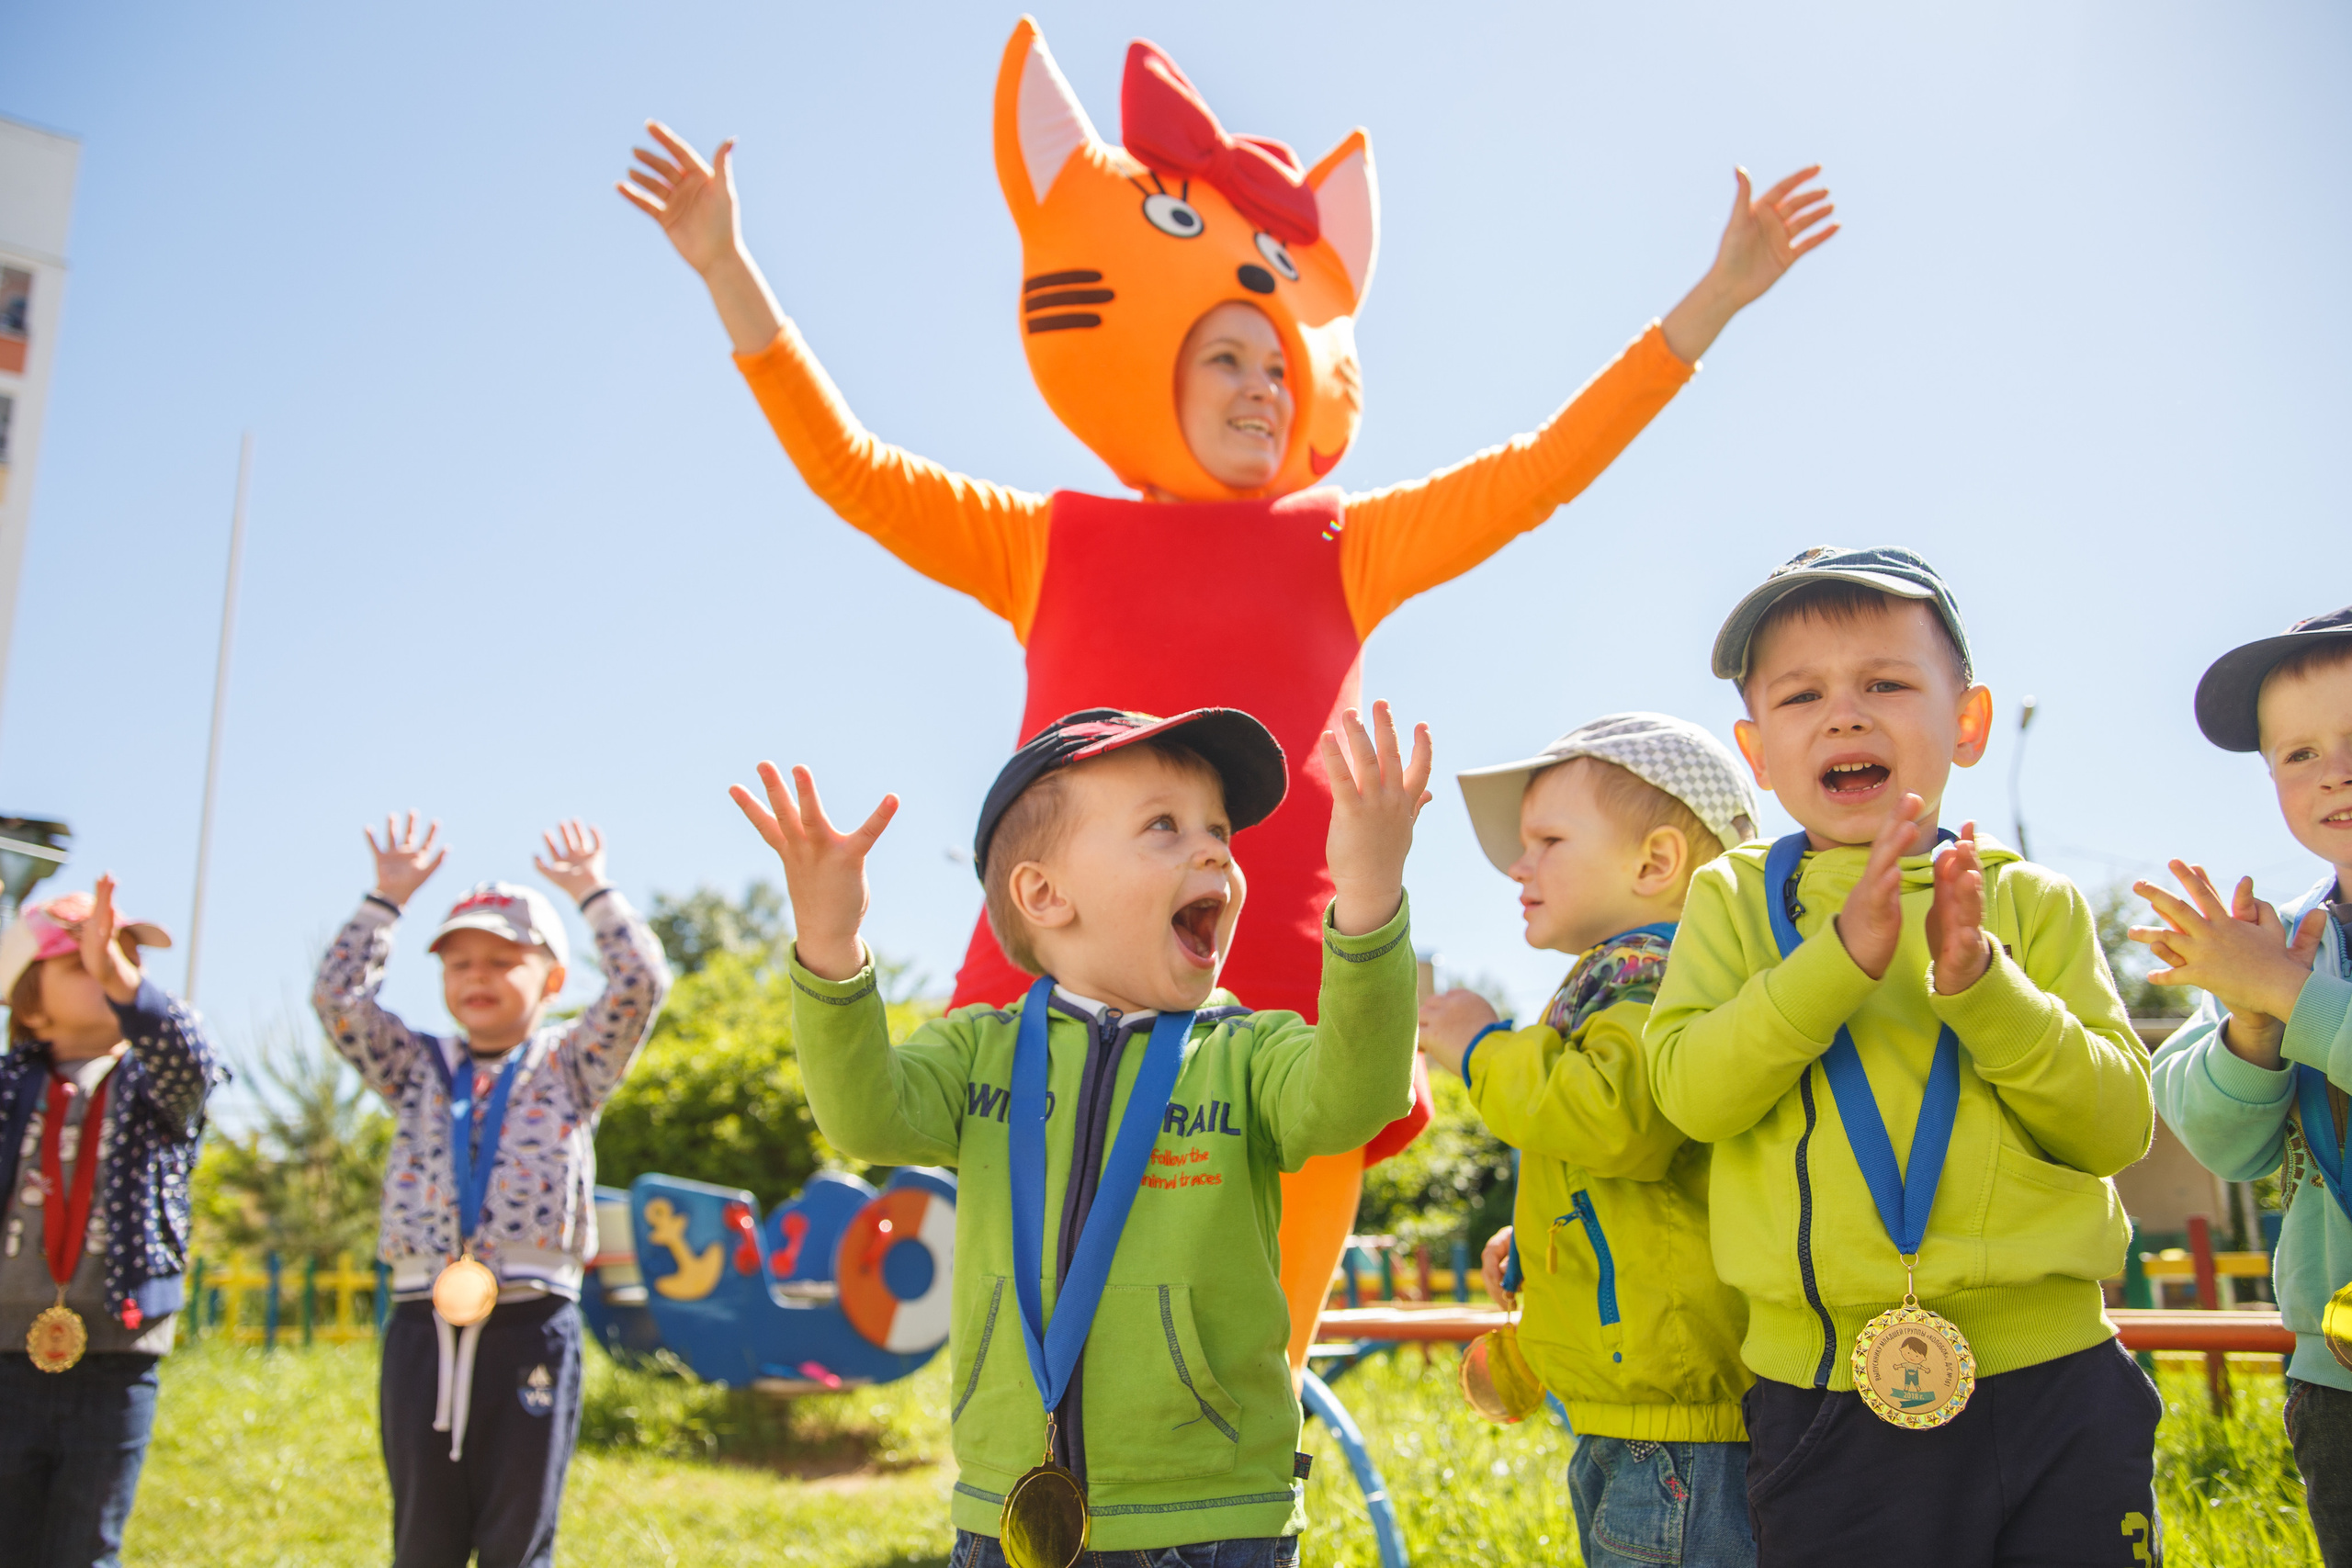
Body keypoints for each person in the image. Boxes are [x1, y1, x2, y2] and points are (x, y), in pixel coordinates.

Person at [621, 16, 1836, 1372]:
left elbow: (1540, 468)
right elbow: (851, 469)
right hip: (1071, 975)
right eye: (1225, 358)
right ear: (1158, 363)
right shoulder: (1049, 540)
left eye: (1279, 362)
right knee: (1052, 1354)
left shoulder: (1348, 541)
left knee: (1262, 1367)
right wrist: (730, 269)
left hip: (1295, 994)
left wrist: (1709, 304)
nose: (1263, 386)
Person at [730, 702, 1428, 1562]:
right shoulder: (980, 1049)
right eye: (1163, 826)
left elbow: (1359, 1095)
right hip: (1007, 1513)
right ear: (1044, 894)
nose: (1214, 850)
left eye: (1219, 830)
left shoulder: (1246, 1050)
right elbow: (864, 1115)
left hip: (1210, 1518)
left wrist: (1368, 896)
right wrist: (830, 944)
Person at [1643, 547, 2159, 1568]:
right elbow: (1692, 1096)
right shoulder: (1733, 904)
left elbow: (2114, 1126)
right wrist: (1833, 963)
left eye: (1885, 683)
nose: (1844, 715)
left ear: (1966, 723)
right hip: (1831, 1395)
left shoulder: (2030, 904)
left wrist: (1984, 987)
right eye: (1801, 695)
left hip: (2062, 1376)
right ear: (1755, 749)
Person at [1419, 713, 1760, 1568]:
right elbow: (1623, 1176)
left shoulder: (1659, 971)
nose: (1516, 865)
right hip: (1644, 1409)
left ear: (1655, 863)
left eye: (1547, 839)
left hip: (1678, 1425)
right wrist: (1539, 1235)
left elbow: (1619, 1123)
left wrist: (1481, 1045)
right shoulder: (1623, 974)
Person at [312, 817, 671, 1568]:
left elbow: (642, 984)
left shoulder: (571, 1062)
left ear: (552, 980)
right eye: (459, 961)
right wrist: (387, 898)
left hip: (531, 1321)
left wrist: (593, 892)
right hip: (421, 1321)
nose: (477, 976)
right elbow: (338, 996)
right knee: (423, 1538)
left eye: (504, 959)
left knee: (518, 1535)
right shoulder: (415, 1065)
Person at [2139, 604, 2352, 1565]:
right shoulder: (2284, 936)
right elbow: (2223, 1141)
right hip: (2337, 1375)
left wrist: (2282, 990)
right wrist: (2251, 1024)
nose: (2332, 771)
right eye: (2297, 754)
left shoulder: (2280, 961)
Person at [0, 879, 226, 1568]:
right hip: (4, 1353)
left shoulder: (153, 1084)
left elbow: (192, 1059)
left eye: (126, 958)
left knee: (88, 1543)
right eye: (84, 961)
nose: (110, 967)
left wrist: (124, 986)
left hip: (116, 1360)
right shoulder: (10, 1082)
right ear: (28, 1004)